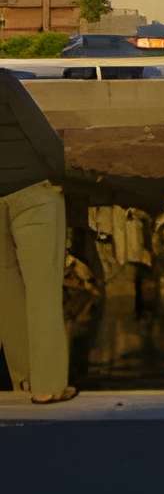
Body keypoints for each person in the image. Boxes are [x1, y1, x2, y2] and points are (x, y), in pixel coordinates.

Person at [0, 68, 76, 406]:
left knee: (6, 294)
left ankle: (25, 379)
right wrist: (61, 175)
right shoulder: (4, 82)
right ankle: (48, 386)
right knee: (42, 290)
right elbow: (42, 136)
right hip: (32, 192)